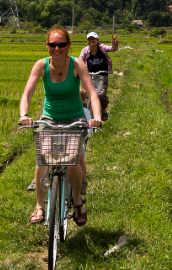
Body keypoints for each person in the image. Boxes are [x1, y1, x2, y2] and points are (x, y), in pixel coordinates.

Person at [19, 27, 103, 226]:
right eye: (52, 44)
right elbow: (27, 94)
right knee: (43, 162)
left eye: (61, 44)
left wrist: (96, 117)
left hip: (74, 118)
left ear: (68, 46)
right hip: (49, 119)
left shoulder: (77, 64)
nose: (57, 48)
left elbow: (91, 93)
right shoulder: (41, 65)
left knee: (73, 162)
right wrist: (24, 115)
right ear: (47, 45)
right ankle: (40, 205)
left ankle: (77, 203)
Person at [78, 31, 118, 121]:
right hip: (88, 75)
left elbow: (112, 49)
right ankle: (84, 112)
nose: (91, 41)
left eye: (93, 39)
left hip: (102, 75)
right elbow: (80, 60)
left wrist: (114, 44)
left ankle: (103, 109)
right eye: (89, 39)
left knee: (101, 94)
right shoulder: (85, 50)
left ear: (97, 40)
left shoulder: (102, 48)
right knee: (83, 94)